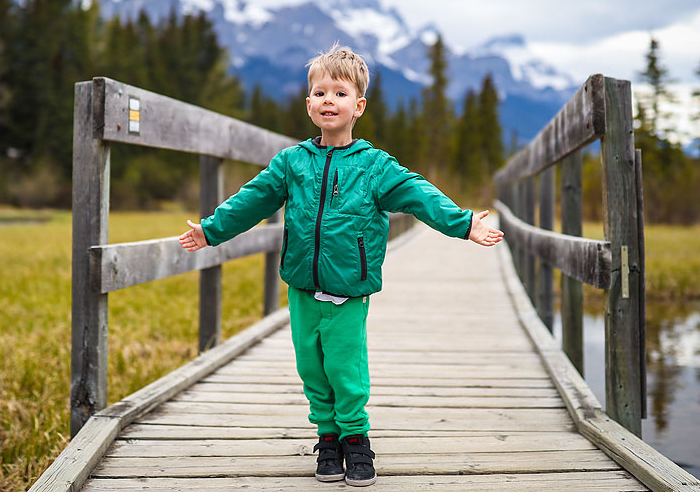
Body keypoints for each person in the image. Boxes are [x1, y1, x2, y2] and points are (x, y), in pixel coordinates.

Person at [179, 44, 504, 486]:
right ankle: (327, 437)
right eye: (320, 93)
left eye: (340, 93)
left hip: (348, 290)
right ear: (308, 103)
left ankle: (355, 438)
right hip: (301, 288)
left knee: (344, 368)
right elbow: (252, 199)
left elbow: (419, 194)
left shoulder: (375, 166)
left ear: (359, 106)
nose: (328, 100)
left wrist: (463, 223)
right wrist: (211, 230)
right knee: (311, 368)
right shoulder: (291, 163)